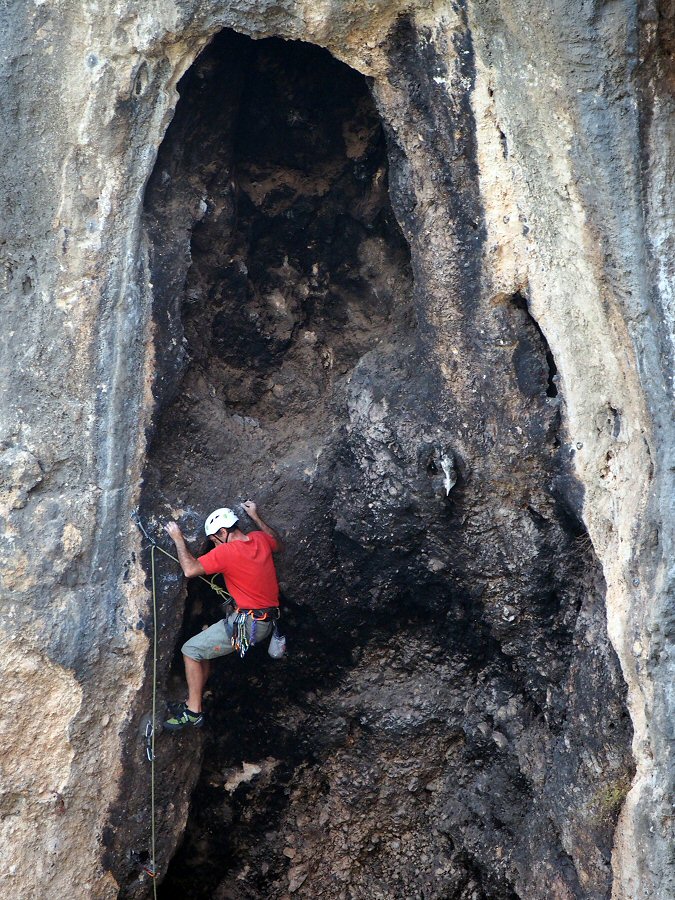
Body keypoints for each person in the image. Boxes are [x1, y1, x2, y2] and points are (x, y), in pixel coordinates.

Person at [162, 499, 282, 731]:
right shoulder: (259, 540)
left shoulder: (227, 552)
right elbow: (277, 542)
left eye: (214, 540)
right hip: (263, 621)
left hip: (248, 624)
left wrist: (178, 539)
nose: (214, 545)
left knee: (190, 650)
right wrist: (256, 517)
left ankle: (193, 711)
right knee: (202, 647)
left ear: (223, 532)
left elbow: (190, 569)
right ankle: (193, 698)